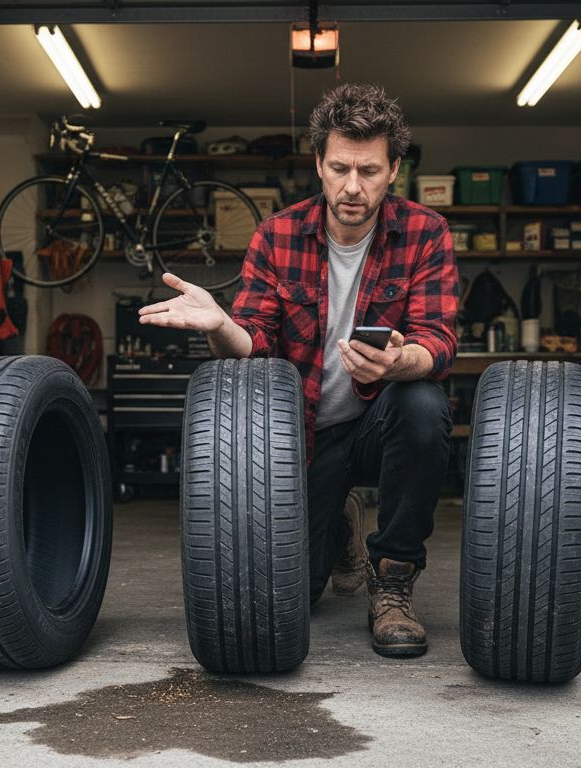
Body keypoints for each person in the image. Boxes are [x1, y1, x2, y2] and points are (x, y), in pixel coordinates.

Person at [139, 83, 458, 658]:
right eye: (339, 168)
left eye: (369, 170)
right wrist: (219, 325)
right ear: (319, 163)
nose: (352, 187)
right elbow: (253, 344)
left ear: (393, 171)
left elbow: (439, 340)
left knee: (424, 404)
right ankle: (339, 523)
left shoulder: (425, 233)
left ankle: (392, 576)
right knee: (297, 594)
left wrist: (400, 361)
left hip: (380, 419)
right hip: (305, 439)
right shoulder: (277, 234)